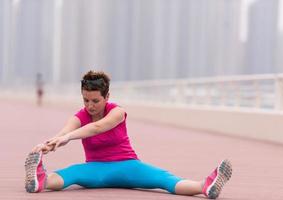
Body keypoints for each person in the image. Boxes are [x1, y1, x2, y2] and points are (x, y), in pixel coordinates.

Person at [25, 70, 232, 199]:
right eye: (85, 100)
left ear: (107, 96)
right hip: (96, 171)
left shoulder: (118, 112)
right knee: (69, 175)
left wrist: (67, 138)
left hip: (130, 166)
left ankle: (206, 186)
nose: (89, 106)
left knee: (166, 180)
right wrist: (49, 143)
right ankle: (39, 180)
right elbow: (65, 131)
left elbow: (97, 128)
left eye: (95, 101)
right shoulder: (81, 115)